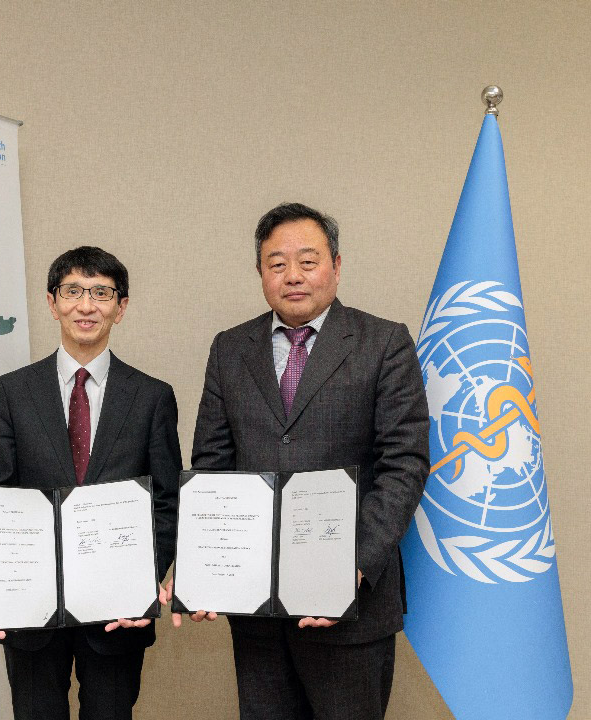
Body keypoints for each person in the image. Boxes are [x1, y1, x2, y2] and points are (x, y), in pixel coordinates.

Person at [171, 203, 429, 720]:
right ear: (260, 272)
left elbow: (404, 464)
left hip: (351, 607)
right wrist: (205, 570)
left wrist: (351, 566)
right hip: (257, 613)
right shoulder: (229, 348)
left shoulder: (384, 343)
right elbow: (213, 465)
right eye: (276, 263)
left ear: (336, 264)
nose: (293, 276)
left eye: (308, 261)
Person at [0, 246, 180, 720]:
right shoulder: (12, 392)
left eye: (101, 293)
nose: (86, 305)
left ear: (121, 308)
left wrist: (145, 582)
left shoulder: (152, 397)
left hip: (118, 613)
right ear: (52, 302)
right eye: (73, 291)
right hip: (29, 609)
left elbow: (166, 502)